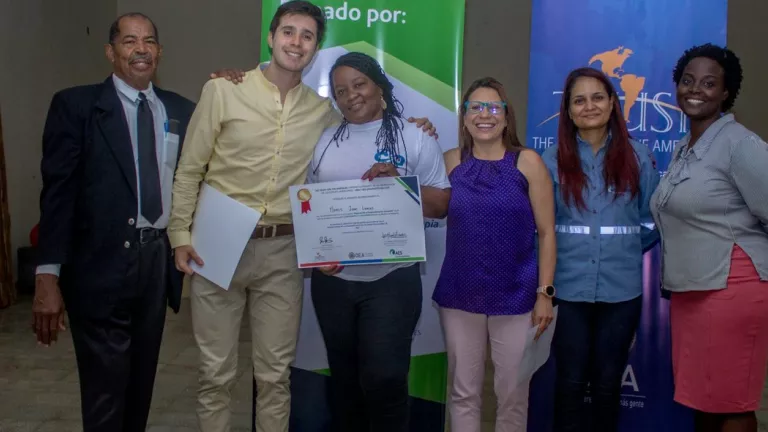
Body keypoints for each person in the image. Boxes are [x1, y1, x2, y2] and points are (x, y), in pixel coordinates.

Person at [169, 2, 437, 431]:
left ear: (315, 47)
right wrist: (180, 235)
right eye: (288, 32)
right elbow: (189, 169)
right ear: (271, 37)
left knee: (275, 376)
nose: (296, 42)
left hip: (282, 250)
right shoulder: (223, 91)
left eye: (307, 36)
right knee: (215, 374)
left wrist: (418, 126)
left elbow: (365, 124)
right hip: (216, 244)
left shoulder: (324, 113)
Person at [33, 12, 195, 432]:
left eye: (149, 41)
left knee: (140, 387)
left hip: (155, 265)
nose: (141, 49)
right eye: (129, 41)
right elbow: (57, 194)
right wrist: (47, 274)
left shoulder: (181, 109)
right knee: (105, 391)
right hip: (98, 267)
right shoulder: (77, 107)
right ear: (111, 52)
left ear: (160, 51)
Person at [305, 52, 451, 432]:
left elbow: (441, 205)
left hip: (392, 281)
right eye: (340, 91)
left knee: (385, 378)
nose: (351, 95)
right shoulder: (322, 141)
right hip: (333, 283)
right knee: (345, 381)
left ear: (380, 87)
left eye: (359, 84)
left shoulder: (415, 136)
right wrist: (318, 252)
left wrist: (401, 185)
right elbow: (310, 207)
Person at [651, 44, 768, 432]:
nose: (695, 90)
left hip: (732, 288)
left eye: (708, 83)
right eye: (688, 81)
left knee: (731, 403)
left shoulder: (740, 144)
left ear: (726, 91)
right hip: (692, 292)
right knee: (704, 399)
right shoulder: (685, 148)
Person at [432, 77, 556, 432]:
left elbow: (547, 233)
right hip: (460, 295)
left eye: (493, 107)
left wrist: (545, 294)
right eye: (475, 107)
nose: (484, 115)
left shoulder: (527, 162)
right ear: (464, 117)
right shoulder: (450, 162)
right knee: (463, 394)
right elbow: (420, 198)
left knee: (513, 396)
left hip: (517, 296)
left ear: (506, 115)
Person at [541, 67, 660, 432]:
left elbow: (650, 223)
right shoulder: (550, 160)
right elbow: (542, 228)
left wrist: (621, 249)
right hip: (568, 290)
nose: (589, 106)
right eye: (579, 100)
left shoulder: (639, 157)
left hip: (620, 291)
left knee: (609, 386)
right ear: (568, 109)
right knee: (569, 383)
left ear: (611, 103)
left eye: (597, 97)